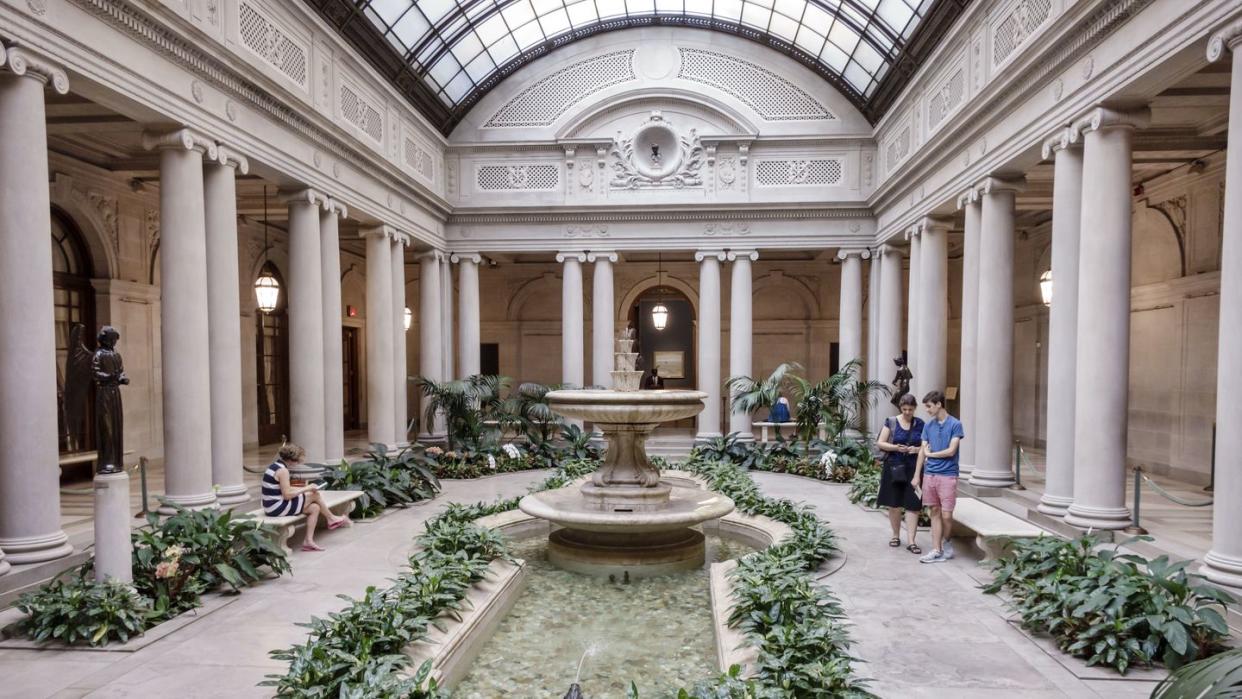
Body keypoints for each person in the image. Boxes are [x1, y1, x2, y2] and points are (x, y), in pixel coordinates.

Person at [261, 443, 350, 551]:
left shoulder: (275, 466)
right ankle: (331, 518)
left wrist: (305, 489)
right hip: (276, 507)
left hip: (272, 505)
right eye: (298, 461)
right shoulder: (283, 471)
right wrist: (306, 489)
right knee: (314, 495)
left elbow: (286, 489)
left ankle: (308, 541)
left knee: (315, 508)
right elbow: (287, 495)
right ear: (292, 459)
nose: (298, 463)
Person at [912, 390, 965, 564]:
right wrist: (916, 476)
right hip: (929, 475)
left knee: (947, 515)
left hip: (948, 475)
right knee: (934, 512)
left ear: (939, 404)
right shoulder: (928, 426)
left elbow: (951, 451)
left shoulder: (955, 424)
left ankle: (947, 542)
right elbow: (923, 451)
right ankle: (936, 550)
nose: (926, 410)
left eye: (928, 406)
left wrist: (932, 455)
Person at [875, 394, 924, 554]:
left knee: (913, 504)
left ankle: (911, 541)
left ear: (915, 408)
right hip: (894, 467)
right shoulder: (891, 421)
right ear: (900, 408)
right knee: (894, 503)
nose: (908, 412)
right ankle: (895, 535)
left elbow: (926, 446)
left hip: (913, 468)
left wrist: (917, 450)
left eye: (910, 409)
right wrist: (896, 447)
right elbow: (880, 443)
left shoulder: (920, 424)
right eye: (904, 409)